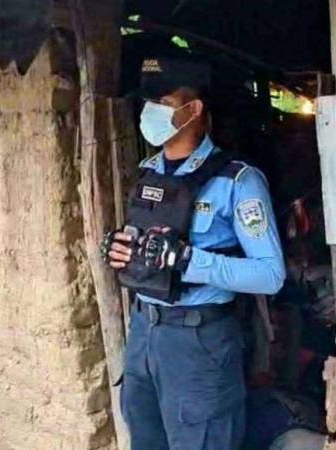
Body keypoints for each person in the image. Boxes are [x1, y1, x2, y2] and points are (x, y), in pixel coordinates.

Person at [102, 56, 286, 450]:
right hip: (144, 337)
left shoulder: (237, 181)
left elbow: (271, 274)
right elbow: (150, 252)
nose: (149, 112)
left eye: (162, 102)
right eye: (146, 102)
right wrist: (122, 251)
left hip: (200, 343)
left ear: (193, 110)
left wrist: (189, 261)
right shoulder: (148, 173)